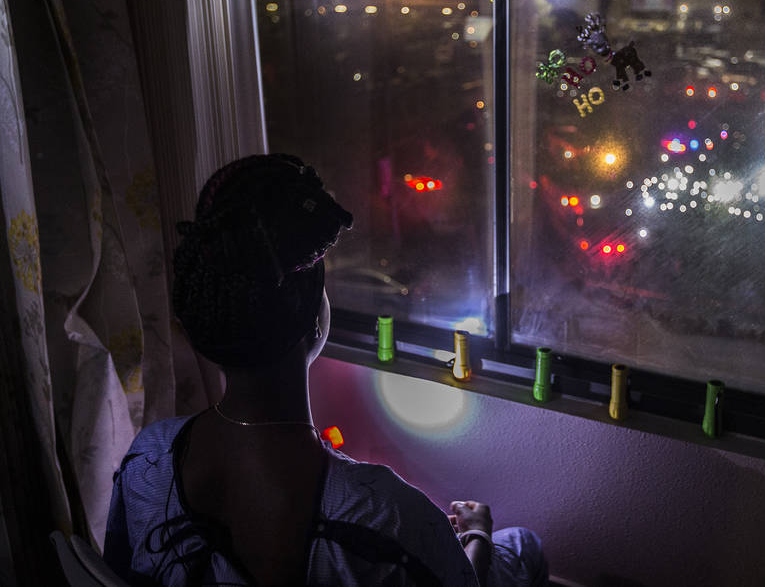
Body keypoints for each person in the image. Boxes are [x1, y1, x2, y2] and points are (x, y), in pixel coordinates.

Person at [104, 154, 548, 586]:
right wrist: (476, 534)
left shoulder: (149, 458)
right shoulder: (390, 520)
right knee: (523, 545)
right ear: (315, 317)